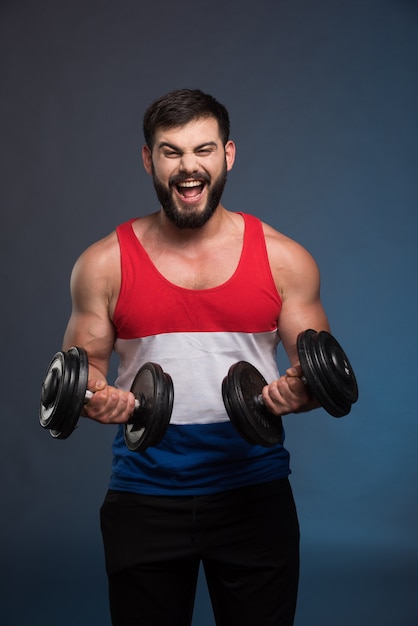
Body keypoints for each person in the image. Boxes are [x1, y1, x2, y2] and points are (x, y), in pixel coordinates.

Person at [62, 89, 330, 626]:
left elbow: (319, 367)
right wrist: (100, 397)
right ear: (149, 159)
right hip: (144, 497)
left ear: (227, 155)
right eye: (171, 151)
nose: (189, 167)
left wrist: (299, 392)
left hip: (253, 494)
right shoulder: (103, 263)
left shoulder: (284, 259)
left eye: (203, 150)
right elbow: (81, 371)